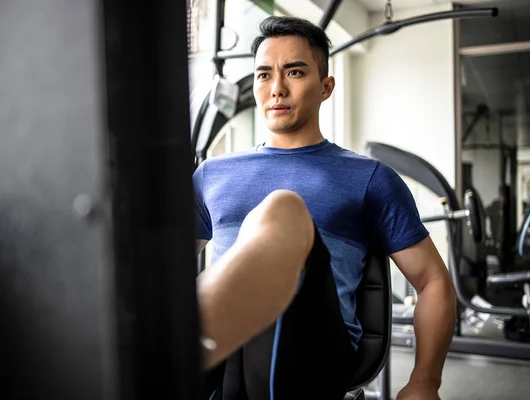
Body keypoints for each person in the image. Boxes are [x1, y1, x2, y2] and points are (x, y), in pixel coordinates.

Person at [193, 16, 456, 400]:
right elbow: (158, 273)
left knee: (282, 209)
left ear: (326, 87)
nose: (277, 88)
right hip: (224, 361)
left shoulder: (370, 177)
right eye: (264, 75)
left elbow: (433, 281)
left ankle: (184, 343)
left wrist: (424, 382)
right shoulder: (211, 174)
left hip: (314, 355)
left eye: (294, 72)